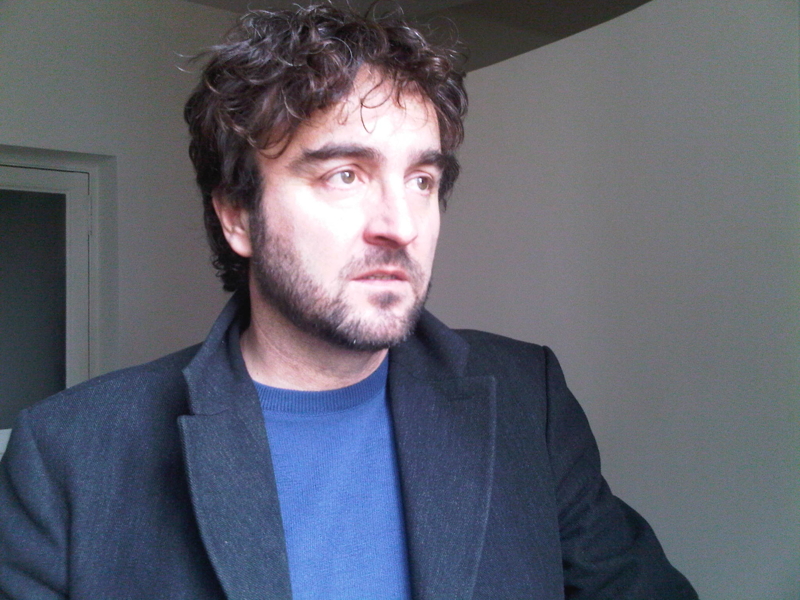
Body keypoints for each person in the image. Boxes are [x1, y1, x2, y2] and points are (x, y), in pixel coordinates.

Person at [0, 5, 698, 600]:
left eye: (422, 180)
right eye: (344, 174)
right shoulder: (68, 456)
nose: (400, 225)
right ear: (238, 216)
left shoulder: (528, 399)